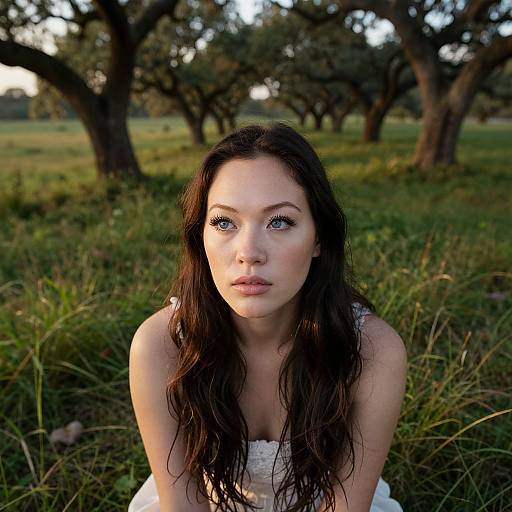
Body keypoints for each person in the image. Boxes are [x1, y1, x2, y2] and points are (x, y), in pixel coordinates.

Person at [128, 123, 407, 512]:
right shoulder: (160, 345)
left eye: (279, 221)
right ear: (200, 237)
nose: (248, 252)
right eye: (224, 222)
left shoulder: (373, 350)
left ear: (318, 239)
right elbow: (183, 504)